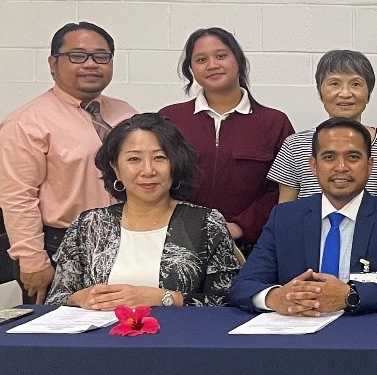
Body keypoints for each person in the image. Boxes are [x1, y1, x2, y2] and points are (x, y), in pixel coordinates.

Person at [230, 118, 377, 315]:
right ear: (314, 166)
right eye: (329, 157)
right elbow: (244, 286)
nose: (341, 167)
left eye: (353, 157)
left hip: (365, 335)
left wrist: (351, 296)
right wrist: (275, 297)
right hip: (295, 335)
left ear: (369, 165)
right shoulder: (284, 218)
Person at [0, 22, 137, 303]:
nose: (90, 65)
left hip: (128, 241)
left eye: (101, 56)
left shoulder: (125, 112)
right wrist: (33, 261)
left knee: (123, 332)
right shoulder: (26, 123)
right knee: (62, 338)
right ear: (52, 63)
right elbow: (17, 197)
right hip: (60, 245)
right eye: (77, 56)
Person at [46, 113, 240, 308]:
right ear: (116, 169)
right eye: (134, 159)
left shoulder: (206, 223)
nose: (148, 170)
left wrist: (165, 298)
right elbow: (55, 301)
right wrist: (77, 299)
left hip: (179, 335)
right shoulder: (89, 224)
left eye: (159, 158)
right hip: (102, 336)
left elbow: (227, 303)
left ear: (176, 164)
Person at [160, 27, 296, 251]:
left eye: (221, 56)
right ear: (191, 69)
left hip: (250, 245)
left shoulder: (274, 122)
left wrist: (241, 226)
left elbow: (282, 190)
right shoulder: (170, 119)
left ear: (238, 61)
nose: (212, 65)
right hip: (176, 241)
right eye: (201, 59)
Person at [267, 50, 377, 201]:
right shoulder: (294, 146)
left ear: (369, 93)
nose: (345, 93)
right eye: (334, 83)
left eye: (356, 84)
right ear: (320, 91)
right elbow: (285, 209)